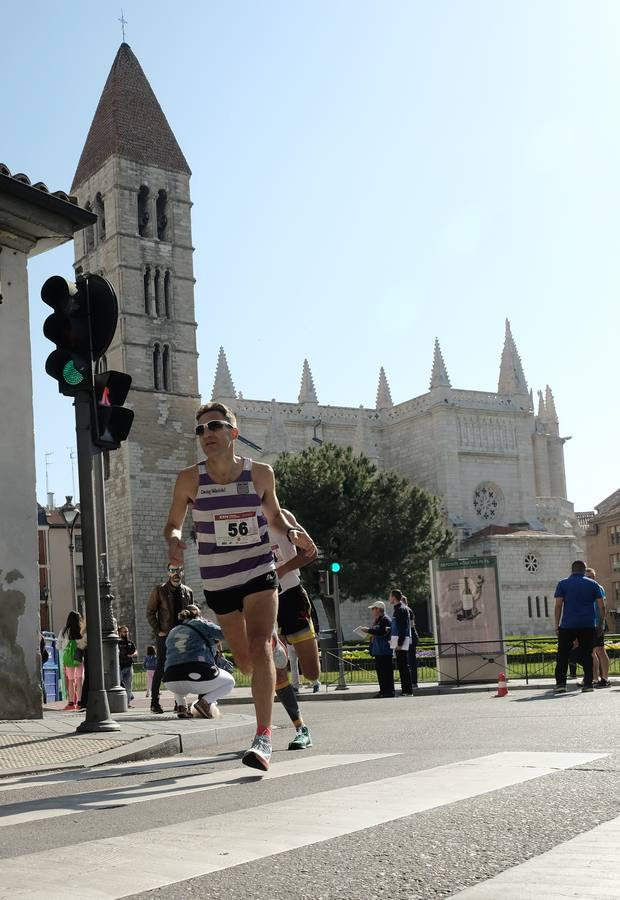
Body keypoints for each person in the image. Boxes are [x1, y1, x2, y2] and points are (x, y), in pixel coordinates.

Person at [164, 401, 316, 771]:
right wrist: (174, 540)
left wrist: (294, 533)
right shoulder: (189, 479)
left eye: (214, 426)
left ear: (233, 432)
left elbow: (276, 517)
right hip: (218, 578)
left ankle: (263, 737)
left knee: (259, 645)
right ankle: (271, 648)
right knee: (246, 661)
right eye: (200, 430)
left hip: (259, 570)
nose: (207, 435)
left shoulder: (261, 473)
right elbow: (173, 523)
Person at [269, 510, 319, 748]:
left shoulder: (283, 517)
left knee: (312, 673)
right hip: (265, 601)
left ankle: (301, 649)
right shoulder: (240, 519)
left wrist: (282, 569)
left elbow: (311, 552)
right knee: (278, 668)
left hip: (292, 597)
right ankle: (301, 728)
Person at [164, 604, 235, 718]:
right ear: (198, 615)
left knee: (178, 669)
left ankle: (181, 707)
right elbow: (225, 634)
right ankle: (204, 703)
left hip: (170, 680)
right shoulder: (201, 623)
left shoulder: (173, 631)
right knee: (229, 682)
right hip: (196, 674)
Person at [146, 564, 193, 714]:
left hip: (182, 635)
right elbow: (150, 612)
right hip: (165, 635)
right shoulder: (160, 590)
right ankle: (154, 703)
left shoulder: (188, 591)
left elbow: (192, 612)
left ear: (182, 572)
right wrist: (158, 630)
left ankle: (179, 703)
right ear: (168, 573)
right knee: (160, 668)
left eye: (178, 570)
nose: (176, 573)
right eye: (173, 570)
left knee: (181, 668)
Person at [554, 560, 605, 693]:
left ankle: (561, 684)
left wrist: (557, 624)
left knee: (563, 654)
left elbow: (558, 605)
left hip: (567, 624)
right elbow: (601, 606)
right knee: (587, 654)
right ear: (583, 570)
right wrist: (599, 624)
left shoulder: (562, 584)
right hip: (587, 625)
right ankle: (588, 684)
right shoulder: (593, 584)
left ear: (572, 570)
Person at [362, 601, 395, 698]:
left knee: (386, 672)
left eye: (373, 609)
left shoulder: (385, 619)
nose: (372, 611)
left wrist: (368, 630)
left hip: (384, 651)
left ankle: (389, 692)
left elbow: (382, 632)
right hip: (378, 650)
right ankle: (383, 691)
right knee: (380, 672)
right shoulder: (378, 620)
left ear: (378, 609)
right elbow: (377, 632)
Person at [584, 567, 610, 687]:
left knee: (600, 650)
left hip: (597, 624)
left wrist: (601, 624)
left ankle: (604, 678)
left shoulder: (598, 588)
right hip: (586, 624)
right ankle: (594, 678)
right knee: (591, 652)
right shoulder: (583, 589)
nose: (590, 579)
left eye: (592, 577)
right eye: (588, 577)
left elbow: (602, 607)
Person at [388, 589, 413, 696]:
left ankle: (407, 690)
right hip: (399, 640)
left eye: (389, 596)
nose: (389, 598)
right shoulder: (399, 608)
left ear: (394, 597)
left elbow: (402, 628)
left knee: (403, 666)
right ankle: (406, 690)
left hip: (401, 642)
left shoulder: (400, 609)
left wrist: (400, 642)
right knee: (402, 666)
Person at [60, 611, 84, 710]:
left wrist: (65, 648)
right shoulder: (82, 630)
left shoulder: (64, 631)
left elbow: (58, 645)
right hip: (79, 656)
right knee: (79, 679)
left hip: (69, 657)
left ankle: (70, 703)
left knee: (71, 680)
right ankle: (79, 702)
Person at [118, 624, 138, 707]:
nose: (126, 633)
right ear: (120, 632)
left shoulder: (130, 643)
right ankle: (122, 701)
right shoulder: (117, 642)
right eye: (124, 632)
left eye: (127, 631)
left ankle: (127, 703)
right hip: (120, 666)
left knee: (129, 685)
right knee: (120, 684)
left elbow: (136, 652)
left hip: (129, 666)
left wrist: (133, 654)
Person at [404, 595, 419, 690]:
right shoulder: (408, 609)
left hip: (411, 638)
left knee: (411, 660)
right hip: (411, 637)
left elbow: (409, 626)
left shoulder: (406, 610)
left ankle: (413, 682)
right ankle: (412, 681)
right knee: (410, 660)